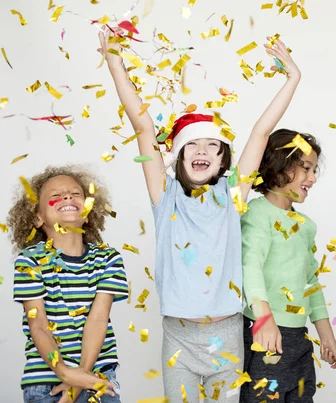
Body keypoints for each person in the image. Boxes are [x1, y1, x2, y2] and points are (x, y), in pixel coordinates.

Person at [99, 27, 302, 401]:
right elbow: (142, 125)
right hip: (178, 335)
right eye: (192, 143)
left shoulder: (231, 195)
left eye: (212, 144)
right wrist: (114, 62)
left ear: (223, 159)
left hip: (224, 334)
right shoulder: (166, 196)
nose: (202, 149)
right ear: (178, 154)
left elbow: (259, 133)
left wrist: (293, 78)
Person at [9, 166, 128, 403]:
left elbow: (98, 319)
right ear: (38, 217)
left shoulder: (108, 259)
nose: (67, 196)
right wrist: (64, 373)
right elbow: (39, 325)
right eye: (55, 196)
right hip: (45, 383)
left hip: (97, 378)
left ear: (87, 212)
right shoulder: (29, 261)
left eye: (75, 193)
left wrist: (79, 379)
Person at [240, 130, 336, 402]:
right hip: (265, 335)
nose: (313, 178)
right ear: (281, 166)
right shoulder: (256, 214)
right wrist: (264, 319)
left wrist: (326, 335)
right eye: (306, 168)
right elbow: (250, 267)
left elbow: (311, 282)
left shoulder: (306, 226)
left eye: (314, 170)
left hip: (299, 340)